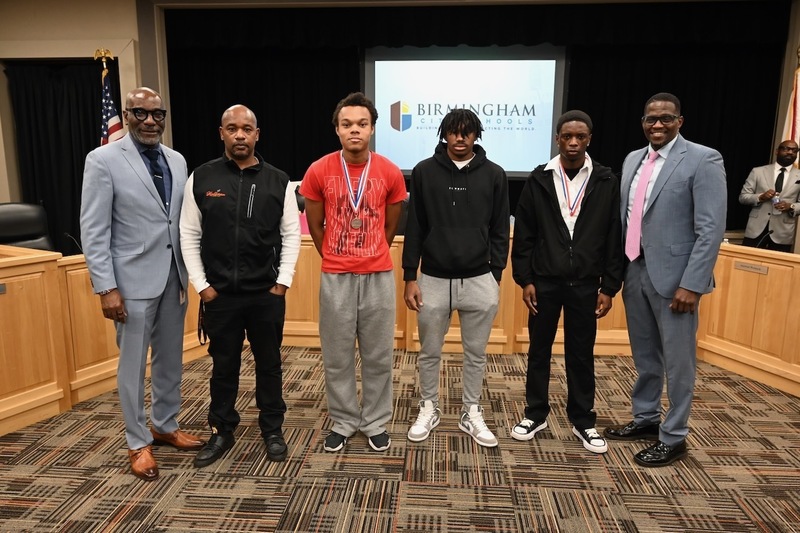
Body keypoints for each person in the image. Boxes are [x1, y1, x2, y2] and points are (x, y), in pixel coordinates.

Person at [80, 87, 204, 481]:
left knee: (171, 359)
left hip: (173, 277)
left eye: (157, 114)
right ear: (127, 115)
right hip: (130, 283)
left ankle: (164, 425)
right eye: (141, 113)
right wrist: (106, 287)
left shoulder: (178, 160)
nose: (150, 121)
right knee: (132, 367)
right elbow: (94, 229)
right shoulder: (102, 160)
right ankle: (137, 442)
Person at [604, 93, 726, 467]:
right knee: (645, 356)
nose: (657, 124)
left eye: (666, 118)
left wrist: (692, 283)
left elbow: (711, 229)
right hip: (635, 270)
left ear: (680, 121)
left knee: (679, 361)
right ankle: (645, 419)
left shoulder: (704, 159)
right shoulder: (632, 159)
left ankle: (674, 437)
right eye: (651, 119)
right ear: (643, 121)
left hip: (677, 281)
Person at [180, 104, 301, 467]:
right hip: (220, 296)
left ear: (257, 134)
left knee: (269, 365)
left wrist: (282, 282)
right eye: (232, 129)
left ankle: (272, 429)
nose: (239, 135)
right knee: (223, 366)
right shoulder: (201, 177)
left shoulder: (278, 180)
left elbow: (291, 234)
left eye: (246, 129)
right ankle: (221, 431)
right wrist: (202, 286)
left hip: (265, 294)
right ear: (221, 133)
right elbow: (188, 234)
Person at [510, 110, 623, 454]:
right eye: (567, 137)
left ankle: (583, 420)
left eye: (581, 137)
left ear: (589, 139)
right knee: (538, 350)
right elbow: (525, 234)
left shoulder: (604, 179)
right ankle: (535, 413)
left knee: (581, 353)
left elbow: (613, 235)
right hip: (544, 281)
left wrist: (609, 286)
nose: (573, 143)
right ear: (557, 138)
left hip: (587, 284)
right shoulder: (539, 178)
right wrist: (525, 278)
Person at [299, 92, 406, 453]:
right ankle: (344, 421)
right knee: (337, 354)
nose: (354, 130)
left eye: (362, 124)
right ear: (337, 130)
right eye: (347, 125)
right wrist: (336, 255)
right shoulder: (318, 170)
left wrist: (370, 253)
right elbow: (314, 225)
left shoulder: (389, 171)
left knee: (378, 354)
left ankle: (375, 421)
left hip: (378, 276)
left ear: (373, 129)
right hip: (336, 278)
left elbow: (391, 226)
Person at [402, 108, 510, 448]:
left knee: (475, 353)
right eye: (453, 131)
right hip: (432, 278)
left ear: (476, 135)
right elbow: (415, 226)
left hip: (480, 278)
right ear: (444, 134)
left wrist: (495, 273)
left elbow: (499, 227)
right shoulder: (423, 172)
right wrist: (409, 275)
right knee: (429, 351)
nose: (460, 138)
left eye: (467, 132)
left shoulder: (494, 174)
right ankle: (429, 406)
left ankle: (470, 411)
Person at [738, 140, 800, 252]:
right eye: (786, 149)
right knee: (747, 264)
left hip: (783, 233)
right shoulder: (758, 172)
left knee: (778, 268)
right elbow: (743, 197)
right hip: (756, 230)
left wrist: (791, 206)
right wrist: (760, 197)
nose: (790, 152)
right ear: (777, 151)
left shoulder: (799, 175)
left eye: (794, 150)